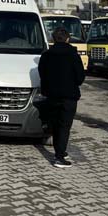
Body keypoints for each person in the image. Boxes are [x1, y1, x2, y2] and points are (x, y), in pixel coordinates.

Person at [38, 27, 85, 168]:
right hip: (69, 96)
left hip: (51, 95)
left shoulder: (46, 55)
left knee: (55, 124)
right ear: (67, 39)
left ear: (53, 39)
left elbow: (42, 73)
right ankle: (59, 157)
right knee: (64, 126)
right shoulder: (73, 55)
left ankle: (60, 152)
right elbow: (80, 77)